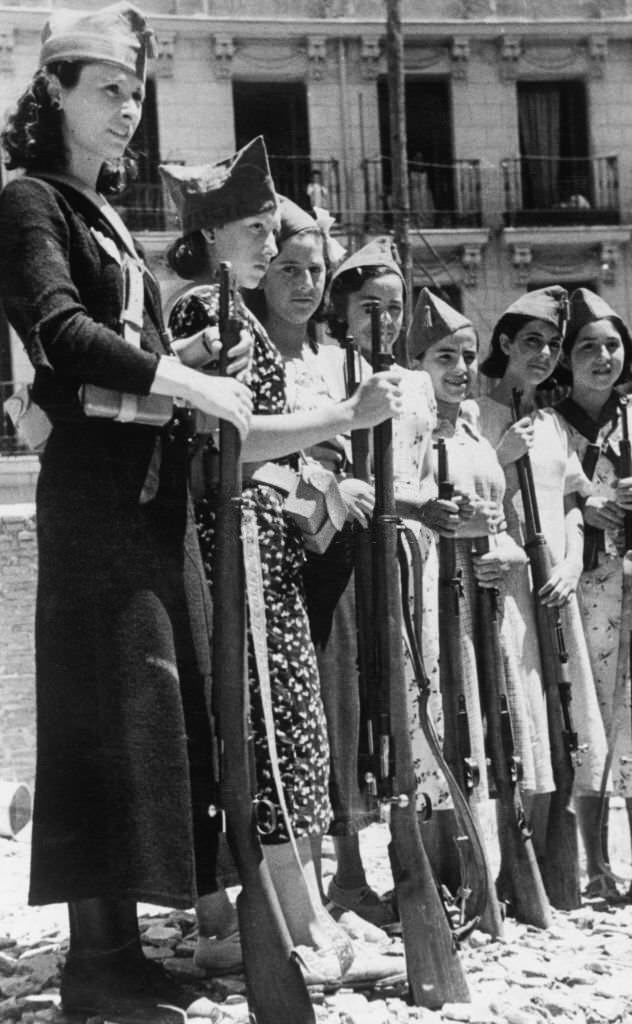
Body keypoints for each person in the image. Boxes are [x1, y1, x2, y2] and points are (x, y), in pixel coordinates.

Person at [0, 5, 253, 1017]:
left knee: (142, 710)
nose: (126, 110)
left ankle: (121, 950)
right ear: (52, 90)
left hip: (139, 492)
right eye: (106, 88)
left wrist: (180, 365)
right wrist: (180, 382)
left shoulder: (99, 210)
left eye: (135, 92)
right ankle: (92, 968)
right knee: (95, 715)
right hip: (96, 497)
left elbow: (119, 348)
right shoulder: (30, 201)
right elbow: (58, 331)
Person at [160, 152, 404, 980]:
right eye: (258, 230)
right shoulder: (207, 308)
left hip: (263, 544)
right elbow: (226, 445)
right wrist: (343, 414)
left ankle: (301, 918)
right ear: (212, 233)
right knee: (265, 727)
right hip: (236, 544)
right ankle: (287, 927)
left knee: (286, 730)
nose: (271, 246)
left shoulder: (234, 311)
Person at [322, 240, 503, 909]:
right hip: (339, 562)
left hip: (410, 562)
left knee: (417, 699)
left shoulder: (418, 388)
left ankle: (428, 864)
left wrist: (439, 511)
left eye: (395, 307)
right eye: (371, 306)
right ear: (342, 311)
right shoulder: (323, 376)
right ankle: (345, 870)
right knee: (351, 709)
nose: (386, 320)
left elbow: (421, 479)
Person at [410, 288, 546, 913]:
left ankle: (495, 877)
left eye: (466, 355)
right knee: (443, 732)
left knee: (495, 737)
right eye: (443, 356)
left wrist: (509, 552)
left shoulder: (472, 430)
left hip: (486, 601)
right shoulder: (405, 433)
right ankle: (445, 873)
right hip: (431, 600)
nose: (460, 369)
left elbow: (509, 524)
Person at [474, 287, 607, 887]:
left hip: (557, 590)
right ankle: (507, 863)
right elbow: (471, 501)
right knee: (516, 717)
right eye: (532, 342)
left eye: (554, 345)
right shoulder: (477, 415)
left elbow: (577, 503)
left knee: (563, 720)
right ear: (504, 344)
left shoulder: (552, 422)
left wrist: (574, 562)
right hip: (506, 593)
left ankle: (557, 867)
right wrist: (501, 458)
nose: (546, 356)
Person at [551, 288, 632, 905]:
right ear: (567, 358)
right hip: (580, 592)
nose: (602, 357)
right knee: (588, 723)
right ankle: (592, 865)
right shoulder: (546, 424)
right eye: (587, 347)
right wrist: (579, 506)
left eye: (612, 345)